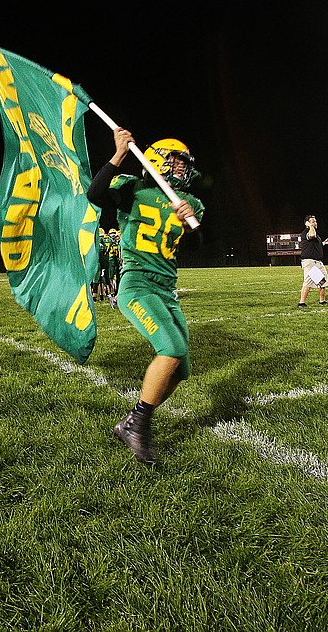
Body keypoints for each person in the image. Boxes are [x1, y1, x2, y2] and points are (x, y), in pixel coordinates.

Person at [87, 128, 204, 465]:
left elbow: (197, 244)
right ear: (155, 160)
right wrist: (118, 154)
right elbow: (95, 194)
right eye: (174, 159)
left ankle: (132, 422)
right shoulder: (133, 188)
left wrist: (189, 221)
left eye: (184, 162)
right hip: (137, 283)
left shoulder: (191, 202)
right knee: (171, 349)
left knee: (180, 370)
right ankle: (138, 423)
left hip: (167, 289)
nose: (180, 166)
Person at [298, 215, 328, 308]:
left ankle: (322, 301)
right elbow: (311, 235)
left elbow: (317, 245)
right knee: (308, 282)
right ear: (307, 223)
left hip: (318, 262)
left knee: (322, 282)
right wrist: (310, 226)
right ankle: (301, 302)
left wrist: (324, 243)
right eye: (313, 221)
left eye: (315, 221)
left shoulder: (316, 235)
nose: (315, 223)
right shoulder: (306, 232)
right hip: (310, 262)